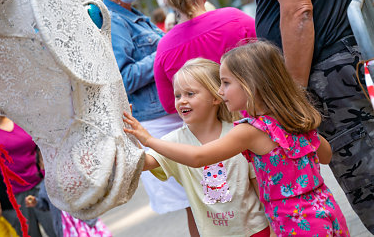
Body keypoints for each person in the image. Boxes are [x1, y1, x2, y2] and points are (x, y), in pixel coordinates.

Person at [224, 0, 374, 230]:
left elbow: (298, 11)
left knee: (366, 182)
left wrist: (292, 93)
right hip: (346, 61)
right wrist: (329, 4)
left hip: (327, 74)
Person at [124, 41, 350, 236]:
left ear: (250, 85)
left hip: (296, 223)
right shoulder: (292, 118)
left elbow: (198, 157)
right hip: (326, 210)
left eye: (226, 83)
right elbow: (326, 155)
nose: (220, 91)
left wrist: (148, 139)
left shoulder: (250, 131)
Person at [91, 0, 196, 235]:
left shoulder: (134, 14)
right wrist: (163, 50)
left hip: (172, 116)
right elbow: (123, 79)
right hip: (157, 123)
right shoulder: (114, 22)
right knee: (192, 204)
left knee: (201, 199)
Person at [125, 58, 270, 236]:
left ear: (215, 97)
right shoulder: (174, 141)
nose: (181, 101)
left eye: (190, 94)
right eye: (178, 95)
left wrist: (274, 230)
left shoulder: (238, 133)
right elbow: (144, 163)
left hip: (255, 230)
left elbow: (259, 186)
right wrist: (127, 133)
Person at [155, 0, 256, 114]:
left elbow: (169, 104)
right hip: (255, 118)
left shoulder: (164, 49)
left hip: (213, 135)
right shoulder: (236, 19)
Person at [0, 108, 55, 237]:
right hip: (13, 197)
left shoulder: (22, 117)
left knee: (57, 230)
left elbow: (42, 144)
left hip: (41, 186)